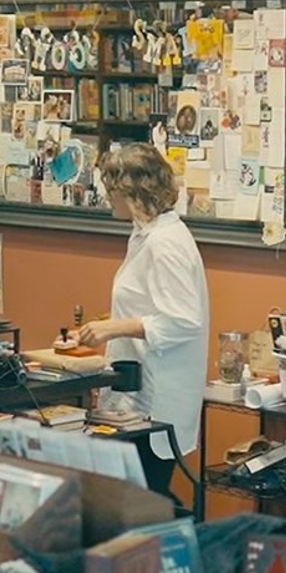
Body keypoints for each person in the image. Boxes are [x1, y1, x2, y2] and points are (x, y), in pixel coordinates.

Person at [78, 143, 209, 499]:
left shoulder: (165, 244)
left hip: (157, 395)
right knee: (140, 493)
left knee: (144, 497)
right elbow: (150, 306)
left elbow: (184, 321)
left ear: (133, 192)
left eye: (112, 191)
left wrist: (112, 327)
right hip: (139, 387)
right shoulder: (146, 234)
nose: (109, 200)